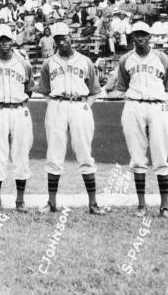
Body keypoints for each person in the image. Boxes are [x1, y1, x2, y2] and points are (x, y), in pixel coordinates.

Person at [35, 22, 107, 215]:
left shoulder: (85, 61)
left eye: (64, 37)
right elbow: (44, 90)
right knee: (54, 154)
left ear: (71, 37)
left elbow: (94, 91)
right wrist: (55, 104)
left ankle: (93, 203)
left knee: (85, 152)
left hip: (79, 105)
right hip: (57, 104)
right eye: (57, 39)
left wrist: (86, 106)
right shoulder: (48, 62)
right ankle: (51, 202)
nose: (61, 41)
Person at [115, 22, 168, 219]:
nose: (140, 38)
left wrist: (163, 103)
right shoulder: (126, 58)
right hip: (134, 104)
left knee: (160, 154)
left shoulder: (161, 57)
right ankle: (141, 206)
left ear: (150, 37)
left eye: (143, 35)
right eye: (136, 35)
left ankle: (164, 207)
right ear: (132, 37)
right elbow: (122, 86)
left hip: (158, 105)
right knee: (137, 156)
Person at [0, 25, 34, 212]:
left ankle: (20, 201)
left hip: (19, 110)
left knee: (21, 153)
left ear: (12, 41)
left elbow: (29, 89)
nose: (4, 43)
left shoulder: (24, 64)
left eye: (7, 40)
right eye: (1, 40)